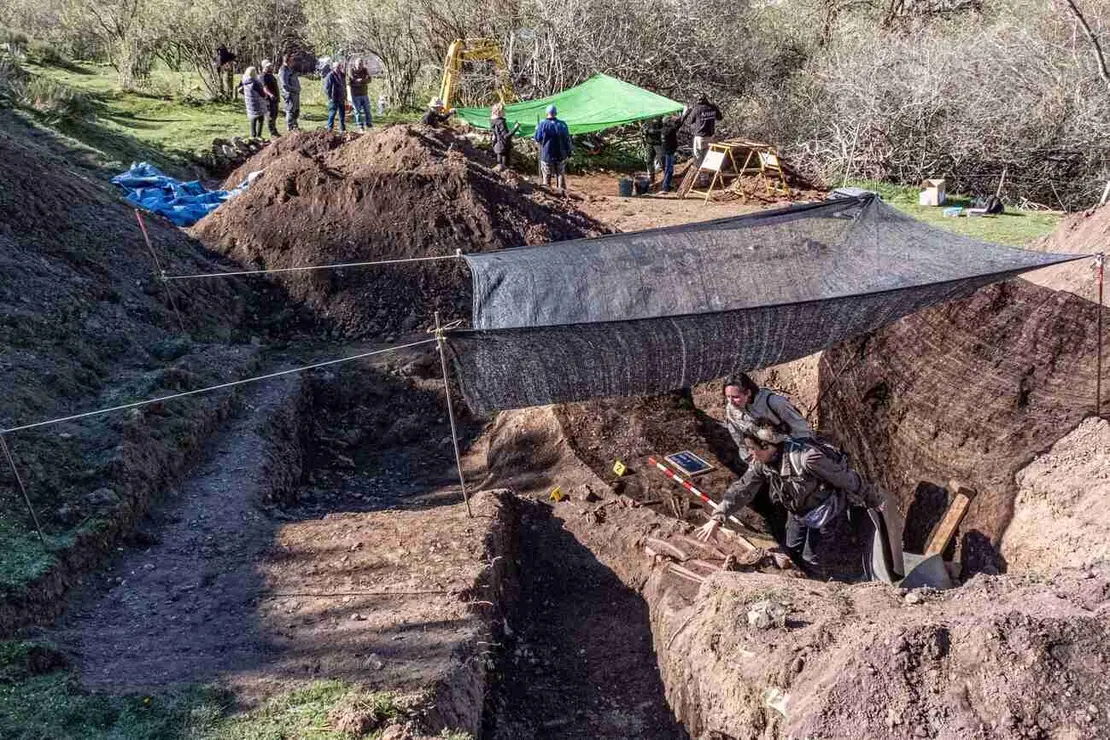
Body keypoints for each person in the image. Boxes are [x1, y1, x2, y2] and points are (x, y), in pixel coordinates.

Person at [697, 425, 902, 581]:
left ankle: (824, 585)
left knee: (811, 556)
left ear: (768, 446)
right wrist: (718, 516)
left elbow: (845, 478)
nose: (750, 454)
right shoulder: (763, 464)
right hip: (797, 513)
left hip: (824, 513)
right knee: (791, 549)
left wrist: (874, 499)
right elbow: (742, 489)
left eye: (753, 449)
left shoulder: (807, 458)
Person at [721, 373, 812, 464]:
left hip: (790, 450)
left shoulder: (775, 403)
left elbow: (802, 431)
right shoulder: (731, 410)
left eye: (735, 397)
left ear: (748, 392)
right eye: (728, 397)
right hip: (760, 457)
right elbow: (738, 437)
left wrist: (795, 454)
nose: (731, 401)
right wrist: (750, 459)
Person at [533, 104, 572, 193]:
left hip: (547, 155)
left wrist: (536, 130)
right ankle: (562, 193)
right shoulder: (562, 124)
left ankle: (548, 195)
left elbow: (537, 138)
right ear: (556, 113)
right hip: (561, 155)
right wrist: (569, 152)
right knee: (560, 175)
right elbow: (567, 140)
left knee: (546, 176)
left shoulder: (542, 124)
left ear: (547, 113)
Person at [682, 93, 723, 163]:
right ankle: (707, 173)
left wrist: (686, 113)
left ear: (698, 100)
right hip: (710, 136)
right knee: (708, 157)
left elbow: (689, 121)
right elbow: (720, 118)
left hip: (700, 137)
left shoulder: (697, 108)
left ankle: (701, 173)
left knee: (698, 157)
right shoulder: (713, 107)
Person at [239, 67, 269, 139]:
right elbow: (262, 94)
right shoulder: (255, 83)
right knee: (260, 119)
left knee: (253, 118)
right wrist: (266, 97)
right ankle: (258, 135)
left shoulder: (244, 81)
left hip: (249, 103)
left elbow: (239, 90)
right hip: (257, 103)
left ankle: (253, 134)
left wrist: (246, 95)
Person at [490, 103, 520, 171]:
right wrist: (515, 128)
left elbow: (496, 134)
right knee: (505, 169)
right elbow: (506, 136)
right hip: (504, 147)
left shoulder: (492, 121)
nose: (505, 112)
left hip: (498, 146)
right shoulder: (501, 122)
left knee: (499, 168)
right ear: (499, 111)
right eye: (504, 110)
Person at [278, 54, 301, 132]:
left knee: (296, 110)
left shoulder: (290, 69)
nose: (293, 62)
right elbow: (284, 85)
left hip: (295, 93)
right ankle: (290, 127)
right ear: (287, 61)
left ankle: (295, 126)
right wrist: (294, 89)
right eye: (291, 61)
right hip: (289, 94)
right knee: (290, 110)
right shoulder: (283, 70)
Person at [348, 58, 372, 131]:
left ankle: (369, 123)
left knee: (367, 110)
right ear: (355, 64)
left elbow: (369, 79)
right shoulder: (351, 70)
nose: (360, 66)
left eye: (361, 64)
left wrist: (361, 80)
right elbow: (351, 81)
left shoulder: (365, 70)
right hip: (355, 94)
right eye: (358, 64)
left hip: (364, 93)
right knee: (357, 111)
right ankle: (360, 125)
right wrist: (360, 81)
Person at [323, 61, 347, 132]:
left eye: (339, 67)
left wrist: (345, 96)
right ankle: (330, 128)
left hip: (341, 97)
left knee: (342, 114)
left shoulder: (342, 75)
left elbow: (344, 86)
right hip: (333, 98)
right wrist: (330, 97)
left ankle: (342, 128)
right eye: (336, 67)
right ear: (333, 68)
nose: (338, 68)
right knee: (332, 113)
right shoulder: (330, 75)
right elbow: (326, 88)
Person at [641, 117, 665, 186]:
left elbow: (664, 129)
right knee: (649, 160)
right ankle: (651, 179)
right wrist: (645, 131)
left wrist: (655, 131)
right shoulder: (648, 117)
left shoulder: (660, 117)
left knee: (662, 160)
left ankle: (666, 179)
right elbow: (644, 127)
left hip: (658, 143)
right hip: (649, 143)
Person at [661, 113, 681, 192]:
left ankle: (666, 185)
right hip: (669, 152)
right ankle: (666, 187)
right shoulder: (670, 130)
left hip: (666, 151)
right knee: (669, 169)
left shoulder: (663, 129)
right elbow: (679, 124)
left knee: (667, 169)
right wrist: (684, 115)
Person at [260, 60, 280, 137]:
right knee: (270, 116)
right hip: (268, 99)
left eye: (270, 66)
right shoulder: (263, 76)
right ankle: (272, 133)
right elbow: (264, 88)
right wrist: (270, 95)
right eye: (268, 66)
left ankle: (274, 130)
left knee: (275, 115)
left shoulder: (270, 75)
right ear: (264, 67)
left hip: (275, 99)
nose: (270, 67)